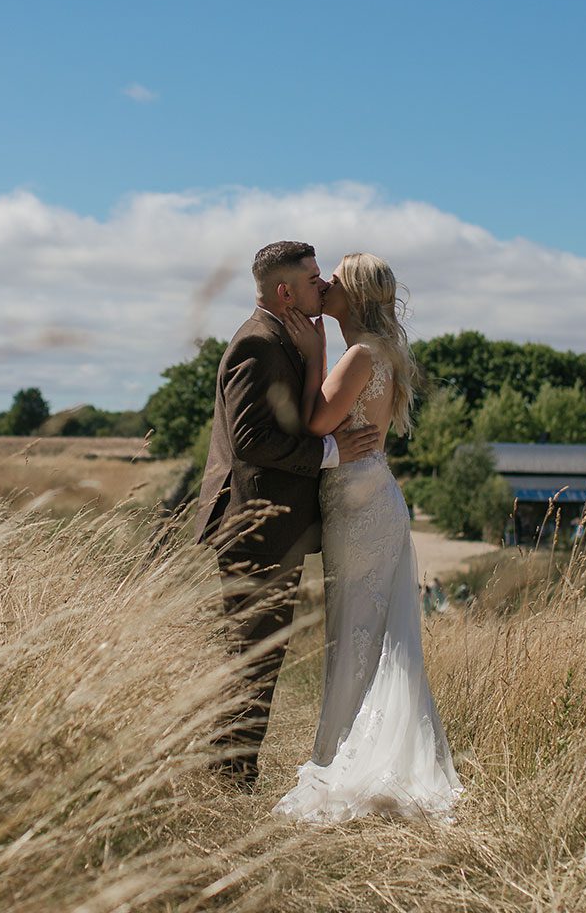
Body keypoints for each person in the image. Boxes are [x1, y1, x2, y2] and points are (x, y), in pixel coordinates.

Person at [270, 251, 463, 823]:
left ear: (352, 295)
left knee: (357, 631)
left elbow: (315, 425)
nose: (323, 284)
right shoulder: (378, 352)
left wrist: (313, 351)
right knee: (366, 634)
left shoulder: (358, 354)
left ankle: (346, 759)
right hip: (368, 499)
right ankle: (346, 750)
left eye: (335, 278)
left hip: (360, 508)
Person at [191, 241, 382, 791]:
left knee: (260, 656)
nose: (320, 286)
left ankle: (232, 776)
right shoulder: (258, 342)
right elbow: (252, 440)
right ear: (285, 291)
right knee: (252, 656)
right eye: (312, 278)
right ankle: (228, 782)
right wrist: (332, 454)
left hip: (275, 528)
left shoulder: (285, 339)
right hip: (255, 527)